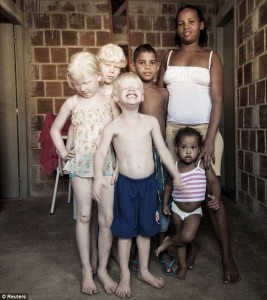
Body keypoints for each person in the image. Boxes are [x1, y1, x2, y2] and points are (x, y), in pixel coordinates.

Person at [156, 4, 240, 284]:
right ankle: (187, 245)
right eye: (180, 23)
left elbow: (218, 101)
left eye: (191, 21)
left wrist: (208, 141)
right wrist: (154, 134)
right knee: (178, 191)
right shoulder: (167, 57)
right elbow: (159, 97)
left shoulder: (211, 57)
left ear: (202, 25)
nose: (186, 26)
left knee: (211, 196)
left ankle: (227, 257)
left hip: (205, 130)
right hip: (172, 132)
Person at [93, 72, 182, 298]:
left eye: (136, 87)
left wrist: (175, 173)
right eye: (126, 88)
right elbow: (101, 152)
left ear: (141, 96)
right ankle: (125, 275)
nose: (132, 90)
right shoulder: (113, 127)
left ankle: (143, 270)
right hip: (125, 186)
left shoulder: (150, 122)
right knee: (125, 233)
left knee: (145, 231)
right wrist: (98, 178)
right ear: (116, 97)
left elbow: (162, 149)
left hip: (148, 185)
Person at [50, 51, 120, 295]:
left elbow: (120, 130)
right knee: (84, 215)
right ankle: (86, 271)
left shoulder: (109, 101)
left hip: (107, 165)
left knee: (106, 219)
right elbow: (55, 130)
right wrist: (62, 151)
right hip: (80, 165)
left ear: (99, 77)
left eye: (87, 82)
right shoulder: (73, 102)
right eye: (77, 84)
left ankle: (102, 269)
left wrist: (120, 161)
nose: (82, 88)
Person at [130, 43, 178, 276]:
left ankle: (161, 248)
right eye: (142, 62)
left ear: (158, 66)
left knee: (161, 201)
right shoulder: (131, 91)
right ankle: (140, 252)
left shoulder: (163, 93)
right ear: (133, 65)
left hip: (159, 156)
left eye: (152, 62)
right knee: (141, 201)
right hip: (137, 154)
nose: (147, 67)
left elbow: (166, 124)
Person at [156, 127, 220, 281]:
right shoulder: (176, 167)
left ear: (199, 149)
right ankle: (183, 265)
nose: (188, 152)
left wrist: (216, 196)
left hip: (194, 211)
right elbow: (169, 186)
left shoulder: (202, 165)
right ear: (177, 149)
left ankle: (169, 241)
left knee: (186, 236)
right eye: (184, 147)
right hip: (177, 209)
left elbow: (214, 182)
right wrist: (165, 204)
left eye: (193, 147)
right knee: (182, 240)